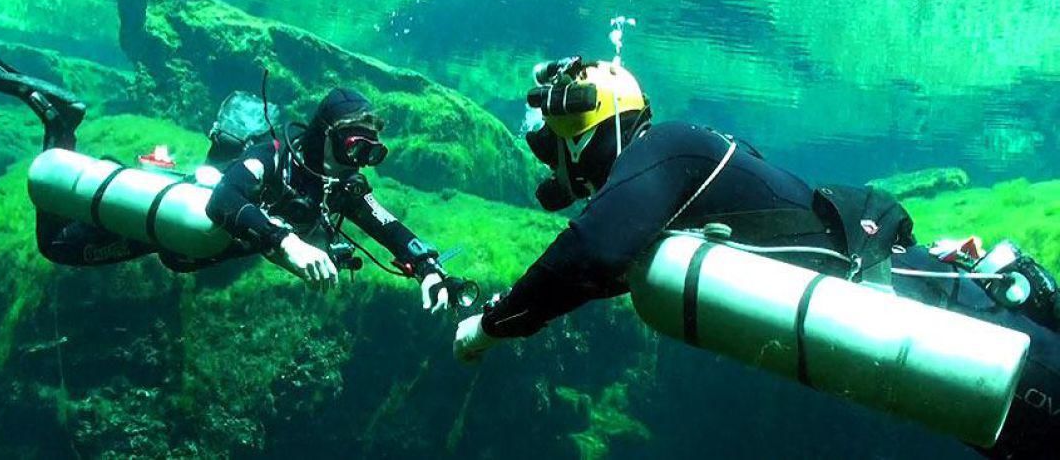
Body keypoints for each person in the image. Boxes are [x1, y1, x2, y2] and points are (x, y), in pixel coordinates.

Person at [451, 55, 1060, 459]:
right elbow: (603, 268)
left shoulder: (664, 148)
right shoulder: (679, 167)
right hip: (927, 326)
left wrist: (490, 326)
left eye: (550, 148)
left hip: (931, 306)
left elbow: (588, 253)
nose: (553, 168)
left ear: (584, 123)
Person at [0, 2, 471, 312]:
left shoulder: (340, 187)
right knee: (58, 248)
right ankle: (59, 126)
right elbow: (224, 201)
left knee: (82, 244)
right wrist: (287, 243)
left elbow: (391, 228)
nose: (362, 159)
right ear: (324, 133)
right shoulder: (276, 155)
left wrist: (431, 270)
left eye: (370, 149)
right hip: (173, 225)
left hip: (195, 248)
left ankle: (76, 138)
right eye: (354, 144)